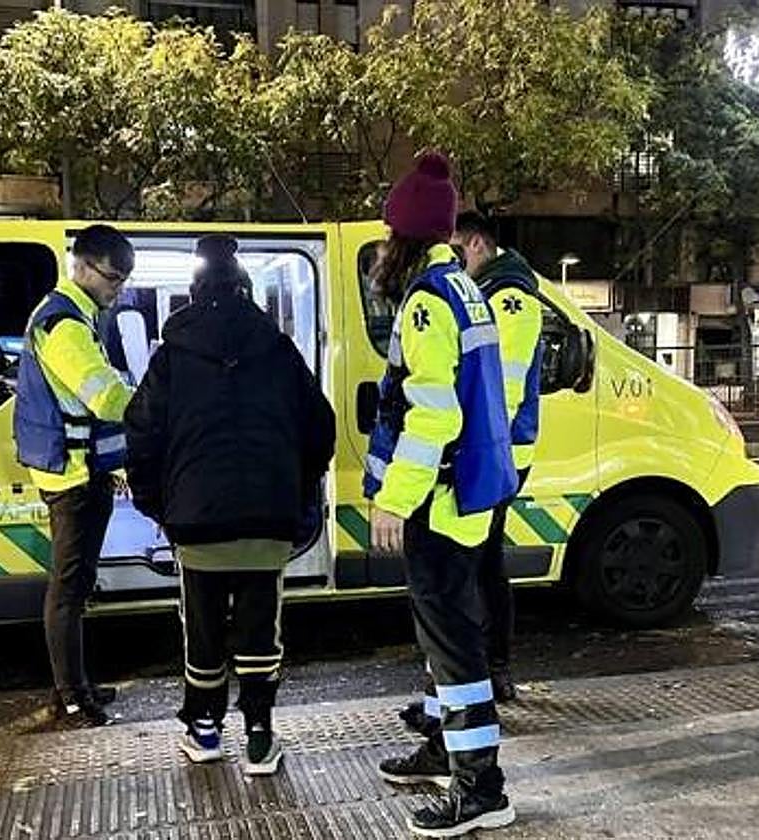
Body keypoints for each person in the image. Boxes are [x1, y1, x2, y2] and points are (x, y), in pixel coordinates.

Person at [124, 234, 335, 777]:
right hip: (268, 520)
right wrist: (295, 488)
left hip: (196, 521)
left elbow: (142, 433)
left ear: (194, 295)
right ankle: (261, 738)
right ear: (246, 291)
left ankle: (205, 731)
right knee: (261, 627)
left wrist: (159, 505)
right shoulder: (280, 349)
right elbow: (320, 428)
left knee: (203, 628)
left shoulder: (171, 356)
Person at [364, 153, 519, 835]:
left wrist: (394, 497)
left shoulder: (427, 305)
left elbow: (432, 415)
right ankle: (445, 752)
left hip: (438, 499)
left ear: (403, 239)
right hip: (468, 495)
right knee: (450, 641)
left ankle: (481, 790)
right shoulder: (463, 287)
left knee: (453, 649)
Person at [399, 211, 544, 735]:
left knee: (475, 573)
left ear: (478, 244)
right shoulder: (484, 290)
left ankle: (488, 676)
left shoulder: (509, 296)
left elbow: (498, 394)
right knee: (465, 577)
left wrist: (462, 457)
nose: (457, 258)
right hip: (476, 455)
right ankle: (451, 705)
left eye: (461, 249)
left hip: (488, 457)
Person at [14, 224, 135, 728]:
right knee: (67, 590)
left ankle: (76, 685)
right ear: (81, 267)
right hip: (72, 477)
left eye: (124, 280)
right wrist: (158, 406)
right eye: (112, 277)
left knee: (78, 585)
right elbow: (104, 397)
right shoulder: (64, 324)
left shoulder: (78, 316)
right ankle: (68, 698)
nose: (118, 289)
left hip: (85, 470)